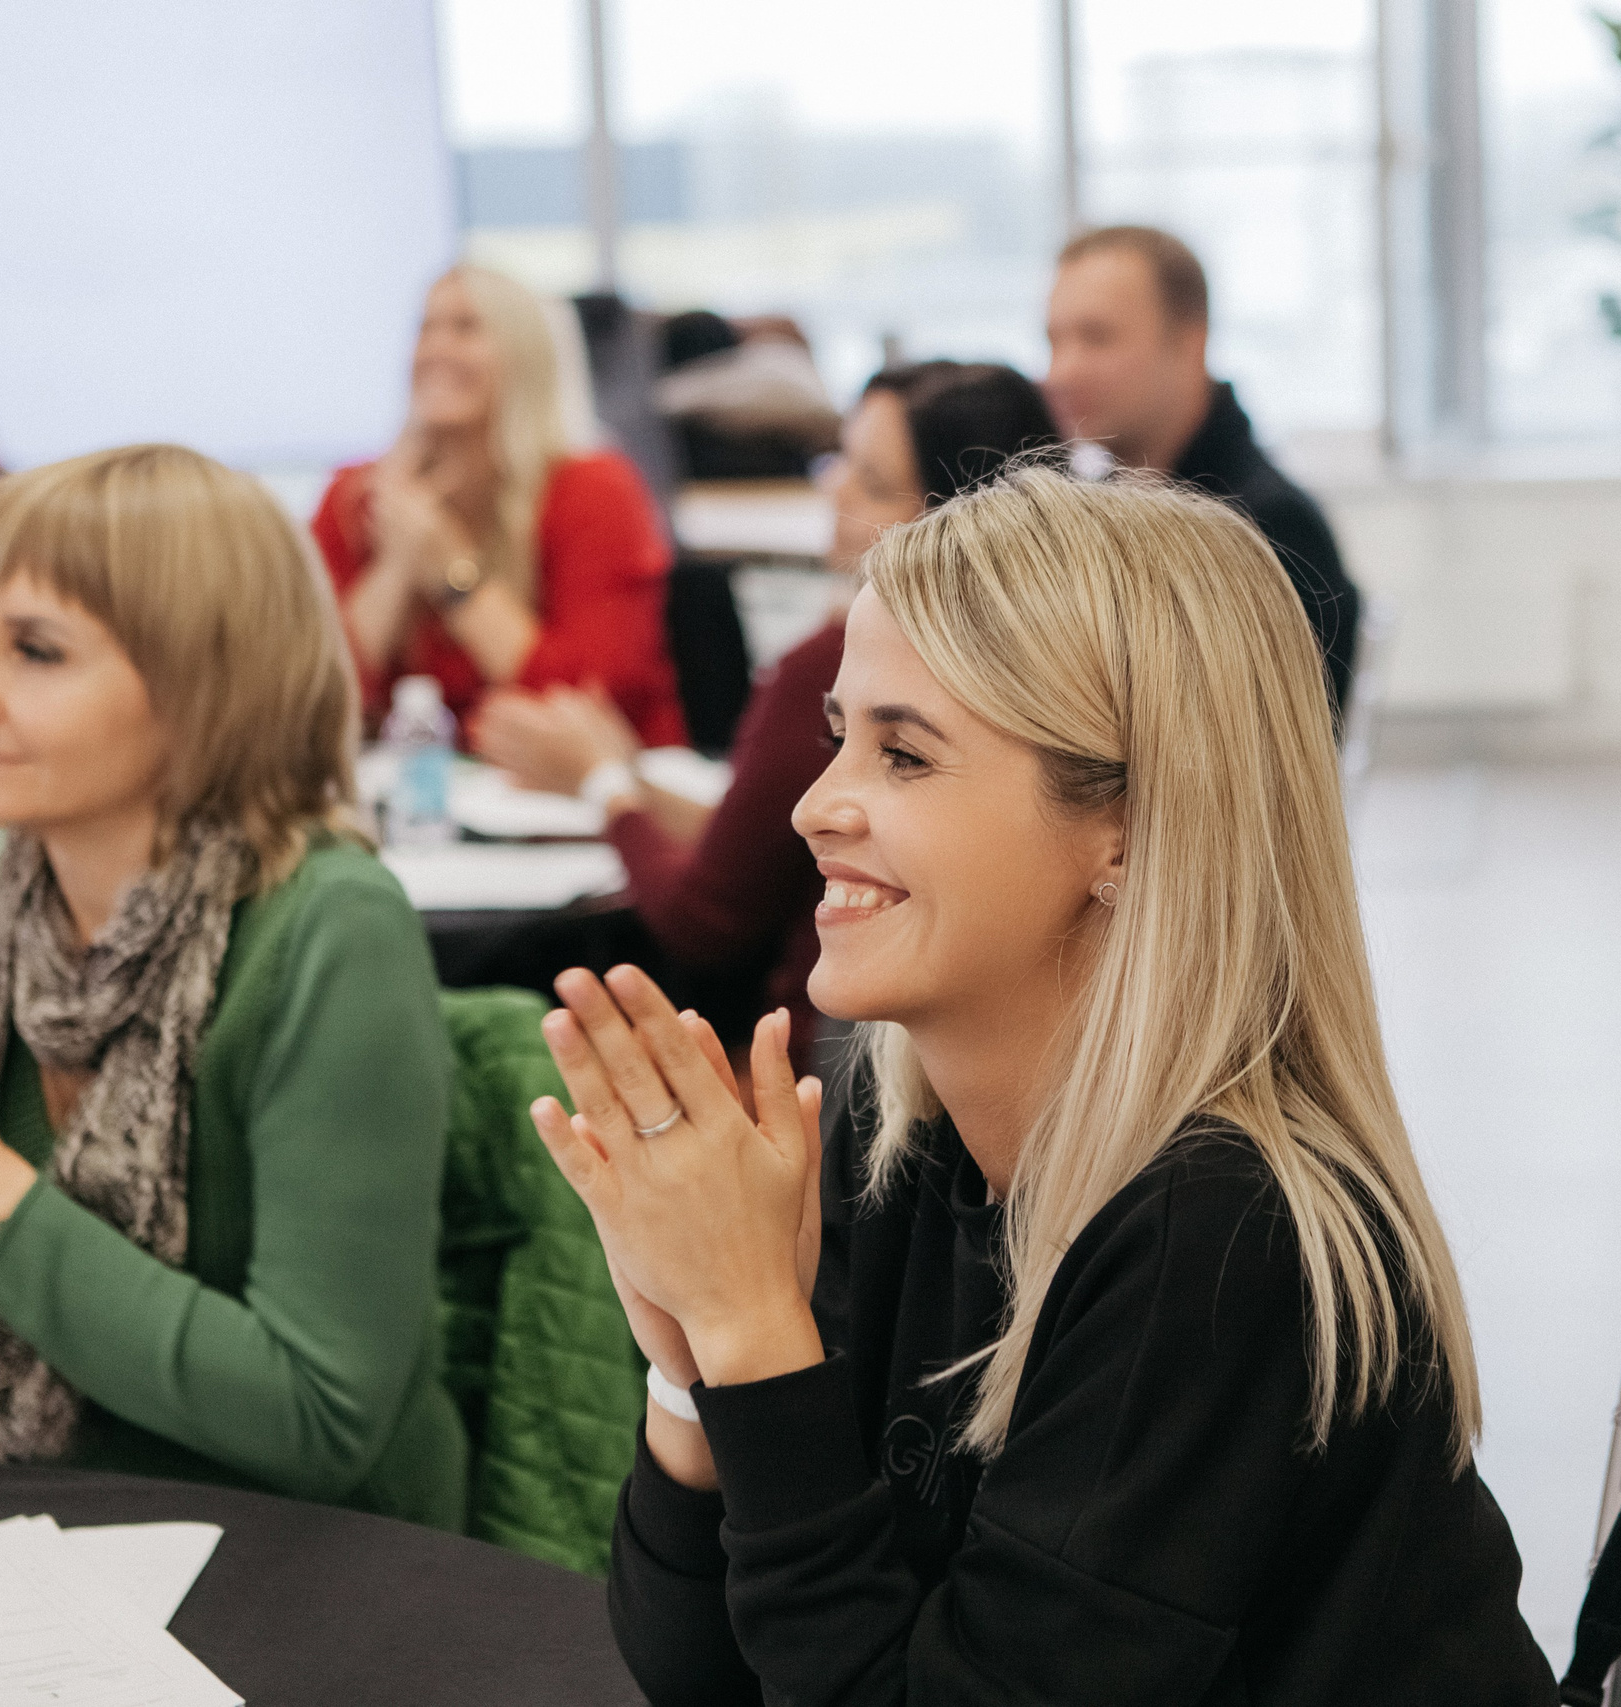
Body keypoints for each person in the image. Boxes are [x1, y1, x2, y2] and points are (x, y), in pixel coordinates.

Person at [532, 468, 1555, 1703]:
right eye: (839, 738)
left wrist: (754, 1339)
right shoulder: (888, 1135)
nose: (813, 807)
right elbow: (702, 1674)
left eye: (904, 755)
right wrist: (695, 1372)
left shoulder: (1218, 1235)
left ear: (1123, 827)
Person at [0, 444, 466, 1521]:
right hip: (16, 1548)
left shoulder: (329, 926)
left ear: (206, 687)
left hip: (307, 1568)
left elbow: (320, 1421)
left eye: (35, 650)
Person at [476, 362, 1059, 1069]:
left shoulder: (847, 660)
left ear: (955, 522)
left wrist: (607, 788)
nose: (833, 486)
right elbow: (767, 842)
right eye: (841, 458)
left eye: (873, 481)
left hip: (826, 1064)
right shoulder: (1045, 660)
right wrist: (621, 776)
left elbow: (705, 918)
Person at [311, 264, 684, 745]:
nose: (436, 349)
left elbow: (588, 699)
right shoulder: (357, 495)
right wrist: (398, 564)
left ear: (523, 356)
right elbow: (316, 697)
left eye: (466, 328)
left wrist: (450, 568)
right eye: (426, 328)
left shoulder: (592, 488)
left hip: (583, 784)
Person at [1045, 224, 1365, 721]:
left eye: (1097, 338)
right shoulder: (1100, 506)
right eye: (1053, 341)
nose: (1061, 372)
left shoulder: (1267, 528)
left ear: (1190, 343)